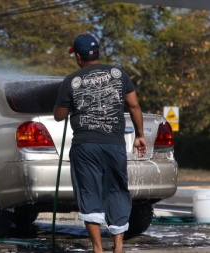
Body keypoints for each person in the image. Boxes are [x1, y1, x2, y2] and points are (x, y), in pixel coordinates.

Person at [54, 34, 147, 253]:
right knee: (116, 190)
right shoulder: (118, 74)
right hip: (114, 145)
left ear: (78, 56)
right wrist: (139, 135)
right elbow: (134, 106)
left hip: (85, 146)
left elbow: (59, 115)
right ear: (97, 53)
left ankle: (98, 249)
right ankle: (118, 246)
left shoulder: (71, 81)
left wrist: (65, 103)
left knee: (89, 193)